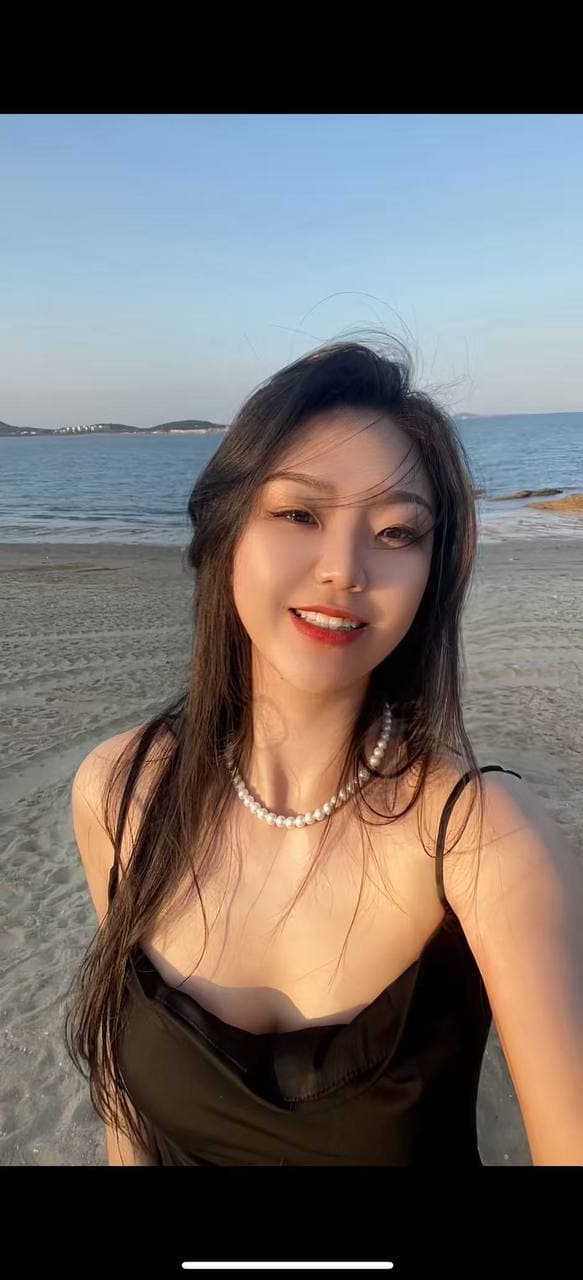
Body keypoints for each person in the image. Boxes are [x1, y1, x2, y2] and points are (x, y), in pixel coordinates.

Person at [66, 340, 583, 1166]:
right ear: (226, 531)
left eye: (396, 532)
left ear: (432, 573)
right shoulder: (119, 791)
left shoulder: (485, 842)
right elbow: (128, 1117)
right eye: (298, 514)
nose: (343, 570)